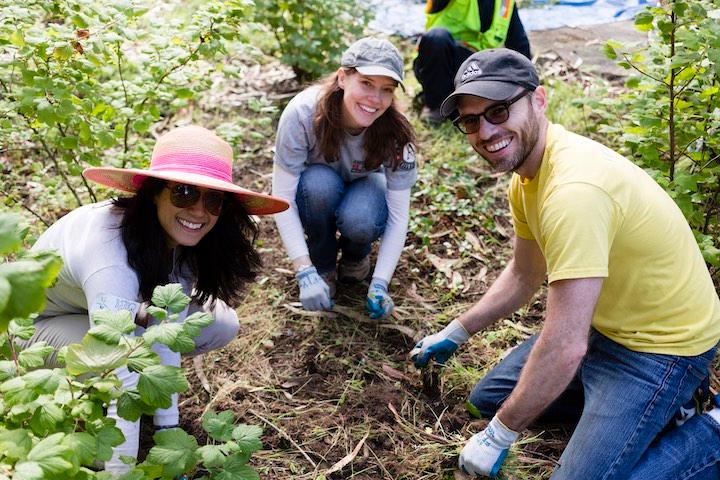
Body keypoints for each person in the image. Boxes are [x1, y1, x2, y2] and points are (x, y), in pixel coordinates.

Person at [409, 49, 720, 478]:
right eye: (470, 120)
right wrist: (457, 330)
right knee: (486, 401)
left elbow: (566, 344)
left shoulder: (574, 191)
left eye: (499, 111)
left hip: (661, 350)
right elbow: (523, 275)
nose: (485, 131)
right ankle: (625, 410)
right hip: (604, 327)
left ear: (539, 100)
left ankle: (707, 429)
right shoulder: (528, 176)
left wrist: (499, 435)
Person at [28, 125, 289, 474]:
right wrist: (121, 471)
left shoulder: (177, 240)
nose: (199, 211)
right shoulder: (108, 250)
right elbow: (122, 370)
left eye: (213, 200)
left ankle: (141, 412)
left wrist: (169, 436)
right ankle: (86, 410)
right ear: (153, 193)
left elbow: (169, 327)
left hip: (107, 311)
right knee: (127, 355)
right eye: (183, 192)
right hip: (33, 331)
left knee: (220, 323)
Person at [272, 37, 417, 320]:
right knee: (317, 185)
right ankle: (322, 265)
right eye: (366, 83)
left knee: (361, 218)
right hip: (317, 189)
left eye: (386, 90)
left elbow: (399, 217)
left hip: (366, 191)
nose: (375, 99)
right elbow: (283, 199)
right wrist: (304, 271)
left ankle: (356, 257)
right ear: (342, 78)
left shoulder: (396, 133)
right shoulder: (302, 114)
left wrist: (380, 282)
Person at [413, 0, 531, 124]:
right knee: (437, 39)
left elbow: (519, 45)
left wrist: (528, 85)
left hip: (476, 67)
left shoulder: (505, 3)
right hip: (440, 59)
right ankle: (435, 105)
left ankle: (463, 105)